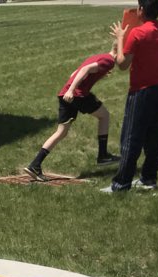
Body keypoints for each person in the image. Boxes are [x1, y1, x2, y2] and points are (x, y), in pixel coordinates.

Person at [104, 0, 158, 193]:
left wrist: (120, 37)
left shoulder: (138, 33)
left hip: (141, 91)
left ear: (141, 10)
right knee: (155, 136)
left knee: (131, 137)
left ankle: (121, 185)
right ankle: (148, 179)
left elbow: (122, 64)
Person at [24, 43, 121, 181]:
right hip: (77, 95)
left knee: (61, 132)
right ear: (119, 51)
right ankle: (103, 155)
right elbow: (85, 70)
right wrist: (72, 90)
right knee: (104, 115)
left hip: (65, 95)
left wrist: (70, 89)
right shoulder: (110, 60)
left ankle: (35, 165)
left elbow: (74, 73)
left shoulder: (99, 56)